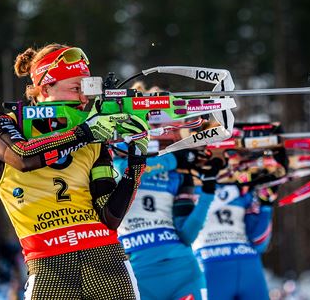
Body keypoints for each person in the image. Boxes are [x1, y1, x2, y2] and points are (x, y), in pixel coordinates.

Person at [0, 43, 149, 299]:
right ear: (46, 87)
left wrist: (135, 166)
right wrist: (84, 133)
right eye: (76, 88)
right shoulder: (6, 122)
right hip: (49, 267)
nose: (84, 99)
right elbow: (23, 156)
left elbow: (109, 217)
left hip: (107, 263)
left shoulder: (94, 138)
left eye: (87, 90)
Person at [113, 83, 222, 300]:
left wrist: (208, 192)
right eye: (157, 127)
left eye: (170, 128)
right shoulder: (120, 153)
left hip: (183, 270)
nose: (161, 135)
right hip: (138, 273)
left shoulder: (179, 173)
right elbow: (125, 172)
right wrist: (173, 159)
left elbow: (187, 234)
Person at [192, 146, 288, 300]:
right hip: (243, 263)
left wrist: (265, 203)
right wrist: (264, 205)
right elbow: (259, 241)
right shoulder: (242, 188)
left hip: (214, 263)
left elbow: (259, 241)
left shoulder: (243, 187)